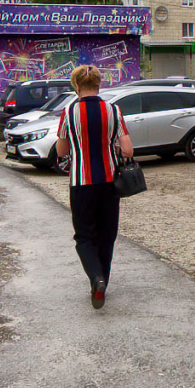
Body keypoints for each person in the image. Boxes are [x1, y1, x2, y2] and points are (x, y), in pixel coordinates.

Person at [56, 65, 134, 310]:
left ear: (76, 85)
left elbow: (62, 150)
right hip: (110, 183)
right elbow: (129, 149)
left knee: (84, 237)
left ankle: (96, 278)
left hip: (81, 183)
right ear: (99, 84)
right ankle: (103, 284)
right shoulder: (113, 110)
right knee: (106, 236)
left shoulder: (68, 112)